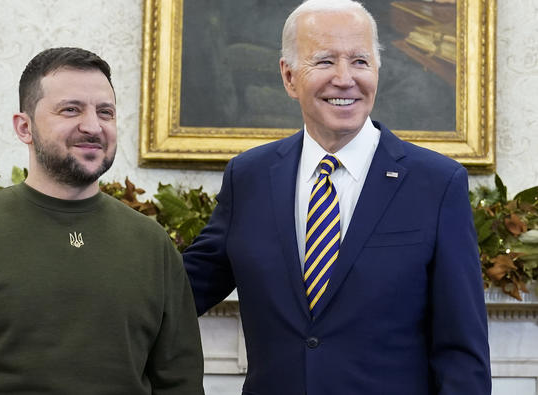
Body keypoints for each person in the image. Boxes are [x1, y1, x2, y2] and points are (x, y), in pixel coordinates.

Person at [183, 1, 491, 394]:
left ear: (377, 71)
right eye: (325, 61)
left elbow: (462, 352)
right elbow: (185, 290)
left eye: (360, 61)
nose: (345, 79)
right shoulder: (249, 178)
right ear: (289, 76)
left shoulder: (436, 183)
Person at [0, 47, 204, 394]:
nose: (93, 126)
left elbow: (180, 385)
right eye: (71, 110)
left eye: (105, 112)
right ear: (24, 127)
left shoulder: (153, 244)